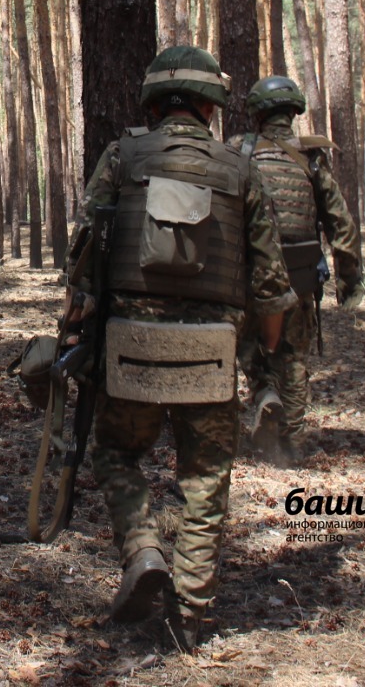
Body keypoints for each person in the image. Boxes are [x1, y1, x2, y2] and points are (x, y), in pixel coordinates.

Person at [66, 46, 294, 647]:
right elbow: (271, 286)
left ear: (154, 102)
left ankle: (143, 550)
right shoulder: (241, 171)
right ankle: (189, 614)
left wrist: (74, 329)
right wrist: (263, 359)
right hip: (211, 355)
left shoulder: (122, 157)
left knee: (115, 454)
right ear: (210, 105)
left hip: (131, 350)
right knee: (205, 478)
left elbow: (83, 259)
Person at [237, 76, 365, 463]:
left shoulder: (240, 150)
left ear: (257, 114)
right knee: (292, 355)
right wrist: (349, 278)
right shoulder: (310, 158)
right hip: (299, 275)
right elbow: (341, 223)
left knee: (248, 344)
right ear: (293, 112)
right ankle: (289, 442)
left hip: (250, 273)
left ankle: (264, 391)